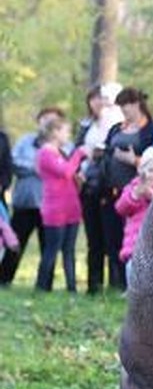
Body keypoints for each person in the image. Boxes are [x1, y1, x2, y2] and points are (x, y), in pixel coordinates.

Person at [0, 107, 64, 286]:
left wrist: (42, 168)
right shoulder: (25, 141)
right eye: (45, 119)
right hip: (25, 202)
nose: (48, 123)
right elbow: (14, 163)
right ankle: (4, 279)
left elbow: (66, 169)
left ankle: (45, 284)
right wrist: (43, 167)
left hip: (50, 205)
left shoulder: (65, 145)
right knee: (14, 241)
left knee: (48, 247)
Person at [100, 89, 153, 291]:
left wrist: (134, 160)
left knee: (135, 239)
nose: (125, 110)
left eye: (128, 105)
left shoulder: (151, 129)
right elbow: (107, 151)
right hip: (113, 191)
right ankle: (114, 281)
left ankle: (134, 284)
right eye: (121, 106)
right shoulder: (116, 129)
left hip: (138, 194)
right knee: (112, 238)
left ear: (138, 104)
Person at [77, 83, 124, 294]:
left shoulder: (117, 124)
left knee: (112, 239)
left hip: (108, 186)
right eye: (96, 98)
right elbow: (77, 151)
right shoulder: (86, 125)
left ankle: (115, 284)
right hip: (88, 186)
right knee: (93, 239)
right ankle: (93, 285)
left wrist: (100, 153)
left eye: (103, 98)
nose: (100, 103)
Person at [35, 113, 87, 292]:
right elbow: (64, 172)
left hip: (71, 207)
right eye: (65, 132)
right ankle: (42, 287)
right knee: (51, 250)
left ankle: (71, 288)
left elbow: (68, 176)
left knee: (69, 251)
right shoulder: (45, 153)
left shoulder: (61, 153)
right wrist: (79, 153)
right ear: (55, 132)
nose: (68, 136)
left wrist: (77, 179)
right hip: (55, 210)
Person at [114, 146, 153, 288]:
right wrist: (137, 194)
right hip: (135, 247)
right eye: (150, 170)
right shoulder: (132, 188)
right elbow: (120, 208)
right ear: (141, 171)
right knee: (134, 277)